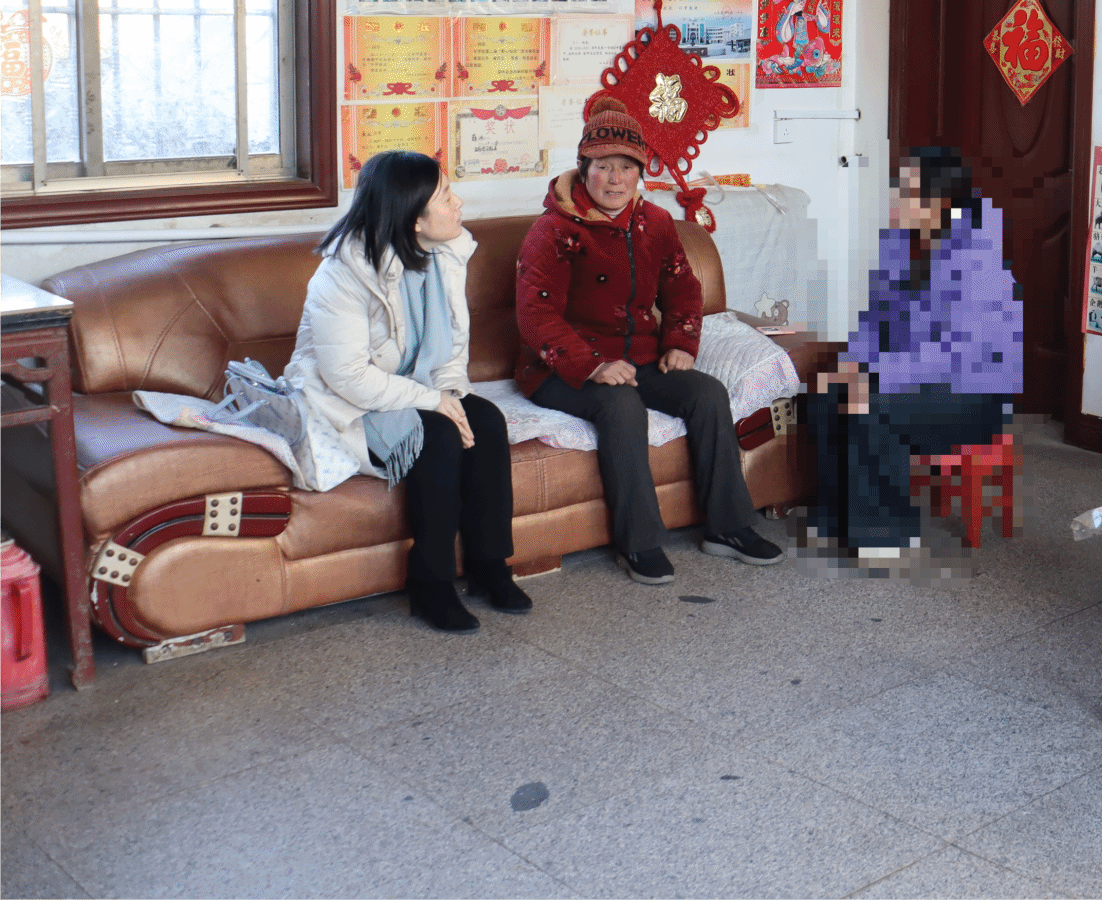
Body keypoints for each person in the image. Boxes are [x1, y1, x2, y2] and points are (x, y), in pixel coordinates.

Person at [514, 94, 782, 582]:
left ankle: (728, 527)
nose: (614, 179)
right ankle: (637, 543)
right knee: (620, 406)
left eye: (626, 167)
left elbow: (683, 287)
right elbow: (536, 315)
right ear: (583, 169)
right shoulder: (552, 230)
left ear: (640, 172)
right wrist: (593, 366)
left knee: (707, 393)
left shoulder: (654, 223)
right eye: (602, 167)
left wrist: (680, 342)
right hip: (560, 366)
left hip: (638, 356)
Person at [285, 150, 527, 633]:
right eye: (445, 196)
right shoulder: (342, 274)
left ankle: (490, 565)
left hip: (412, 387)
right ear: (414, 217)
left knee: (485, 421)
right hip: (346, 402)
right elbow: (348, 377)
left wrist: (451, 395)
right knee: (435, 437)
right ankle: (430, 584)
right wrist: (435, 403)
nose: (458, 203)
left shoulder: (445, 254)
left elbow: (451, 346)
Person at [808, 148, 1023, 561]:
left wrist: (876, 377)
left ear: (939, 203)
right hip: (913, 376)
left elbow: (955, 351)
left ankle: (884, 533)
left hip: (971, 394)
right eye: (898, 190)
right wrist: (852, 363)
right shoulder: (899, 246)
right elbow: (875, 319)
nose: (895, 200)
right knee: (826, 393)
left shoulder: (978, 257)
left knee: (873, 406)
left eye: (906, 193)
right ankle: (837, 517)